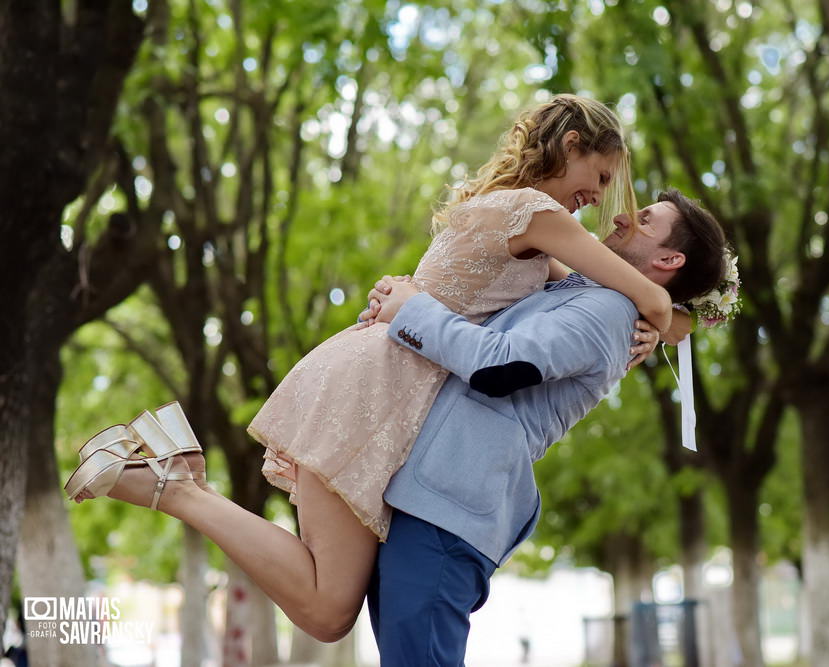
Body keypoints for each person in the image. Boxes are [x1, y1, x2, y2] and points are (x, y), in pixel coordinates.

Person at [64, 95, 676, 642]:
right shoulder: (538, 215)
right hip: (377, 385)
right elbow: (643, 295)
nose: (598, 196)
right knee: (329, 611)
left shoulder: (523, 221)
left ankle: (176, 482)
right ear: (571, 145)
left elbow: (586, 298)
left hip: (385, 382)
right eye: (599, 176)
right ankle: (176, 487)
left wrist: (645, 327)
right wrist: (654, 317)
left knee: (330, 611)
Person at [360, 188, 727, 663]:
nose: (622, 216)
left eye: (646, 219)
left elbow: (501, 367)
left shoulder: (611, 314)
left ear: (670, 257)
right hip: (427, 498)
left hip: (448, 508)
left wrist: (410, 309)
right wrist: (668, 318)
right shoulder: (593, 291)